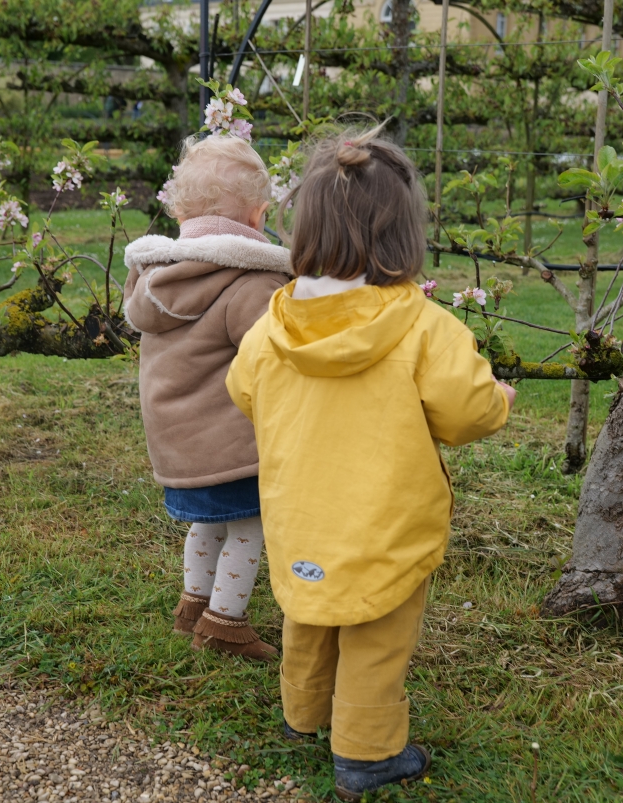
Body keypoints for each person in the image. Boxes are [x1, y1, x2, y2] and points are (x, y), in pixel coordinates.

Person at [225, 126, 516, 799]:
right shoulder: (423, 327)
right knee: (375, 632)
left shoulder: (273, 326)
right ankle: (366, 749)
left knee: (312, 610)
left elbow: (243, 389)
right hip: (385, 521)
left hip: (302, 516)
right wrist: (496, 398)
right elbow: (465, 411)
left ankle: (303, 712)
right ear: (402, 234)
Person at [122, 134, 291, 662]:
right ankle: (225, 623)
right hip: (231, 444)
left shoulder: (155, 278)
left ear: (178, 209)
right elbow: (273, 356)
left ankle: (193, 606)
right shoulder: (250, 282)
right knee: (249, 527)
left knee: (208, 523)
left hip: (177, 445)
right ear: (259, 216)